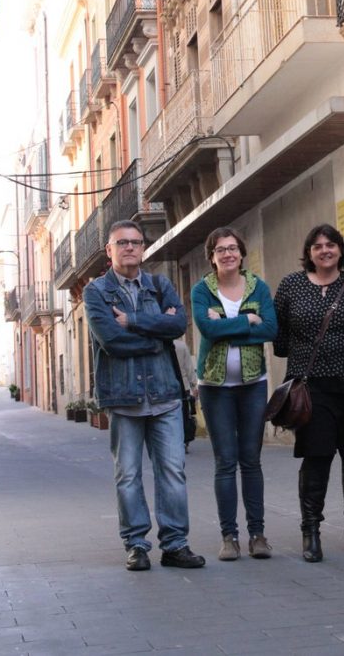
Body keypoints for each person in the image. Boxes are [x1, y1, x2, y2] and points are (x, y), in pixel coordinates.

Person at [84, 220, 205, 572]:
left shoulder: (159, 284)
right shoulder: (96, 293)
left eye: (136, 242)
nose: (130, 248)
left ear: (143, 248)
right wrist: (156, 334)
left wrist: (133, 320)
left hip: (165, 394)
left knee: (172, 471)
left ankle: (175, 545)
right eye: (122, 243)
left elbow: (179, 325)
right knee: (128, 474)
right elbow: (112, 341)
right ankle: (136, 545)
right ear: (109, 250)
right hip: (124, 397)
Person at [273, 223, 344, 563]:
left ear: (340, 250)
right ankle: (311, 531)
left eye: (331, 244)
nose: (324, 250)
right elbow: (278, 340)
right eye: (317, 245)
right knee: (316, 458)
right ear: (308, 253)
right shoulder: (291, 285)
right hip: (311, 389)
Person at [192, 226, 278, 561]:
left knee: (251, 460)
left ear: (241, 253)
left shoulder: (258, 286)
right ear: (212, 258)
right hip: (214, 388)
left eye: (232, 248)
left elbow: (270, 329)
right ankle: (229, 537)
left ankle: (258, 534)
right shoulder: (203, 290)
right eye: (220, 250)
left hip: (252, 384)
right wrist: (248, 320)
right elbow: (206, 329)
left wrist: (228, 326)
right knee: (225, 462)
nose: (227, 254)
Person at [174, 336, 198, 452]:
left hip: (167, 387)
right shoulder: (181, 346)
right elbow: (189, 367)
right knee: (184, 415)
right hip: (183, 386)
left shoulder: (160, 344)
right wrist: (194, 385)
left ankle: (173, 441)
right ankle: (185, 441)